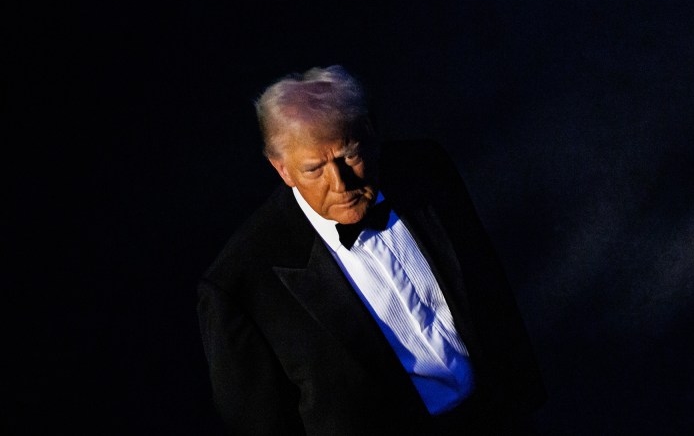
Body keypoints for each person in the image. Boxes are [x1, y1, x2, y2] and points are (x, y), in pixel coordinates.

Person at [196, 65, 546, 435]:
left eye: (349, 156)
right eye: (314, 169)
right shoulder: (239, 283)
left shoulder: (426, 168)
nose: (340, 184)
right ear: (282, 170)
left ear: (370, 132)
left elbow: (490, 288)